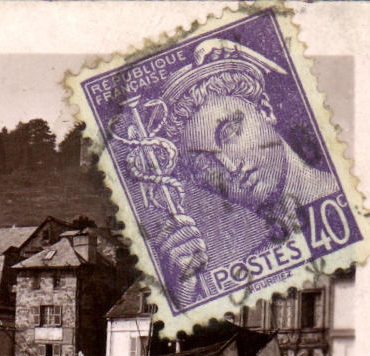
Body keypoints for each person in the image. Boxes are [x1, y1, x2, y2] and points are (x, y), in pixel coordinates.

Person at [142, 39, 342, 299]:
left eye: (229, 132)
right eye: (204, 162)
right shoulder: (255, 269)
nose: (229, 166)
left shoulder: (357, 206)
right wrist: (185, 296)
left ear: (266, 110)